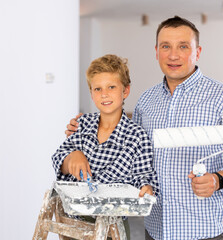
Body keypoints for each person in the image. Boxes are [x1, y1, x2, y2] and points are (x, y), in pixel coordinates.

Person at [66, 16, 223, 240]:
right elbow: (126, 150)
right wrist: (85, 132)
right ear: (156, 51)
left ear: (198, 52)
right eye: (166, 46)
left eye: (183, 46)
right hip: (156, 229)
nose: (173, 55)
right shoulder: (146, 101)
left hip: (205, 230)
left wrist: (217, 179)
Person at [52, 54, 159, 239]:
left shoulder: (137, 136)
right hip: (74, 220)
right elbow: (58, 157)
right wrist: (72, 157)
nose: (104, 94)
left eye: (111, 87)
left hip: (112, 224)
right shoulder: (82, 124)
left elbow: (143, 176)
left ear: (125, 91)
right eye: (97, 89)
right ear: (91, 93)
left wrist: (146, 188)